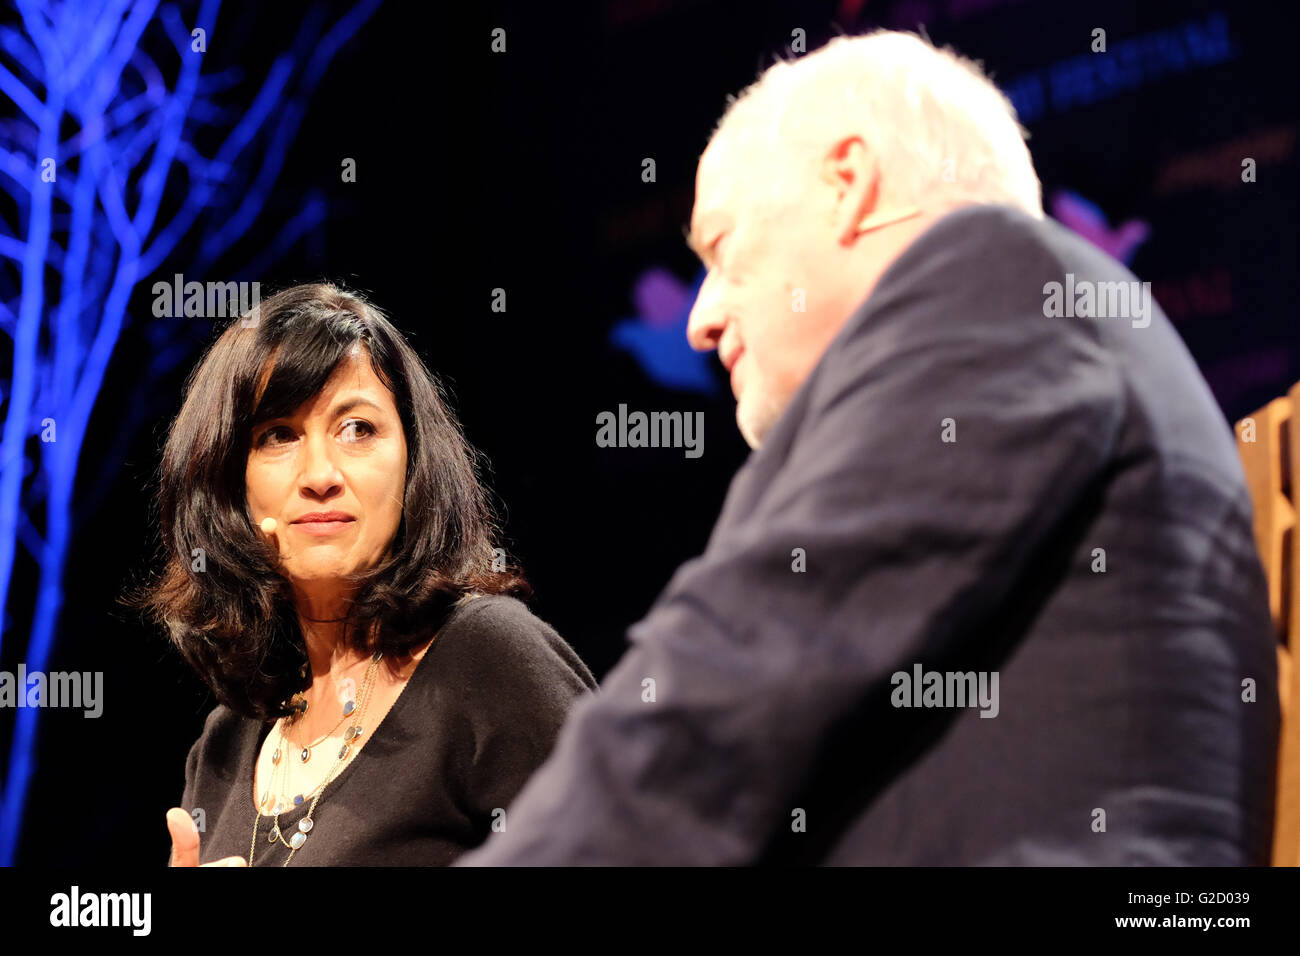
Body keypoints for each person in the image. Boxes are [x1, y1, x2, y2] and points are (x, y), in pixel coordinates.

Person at [455, 30, 1279, 865]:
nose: (700, 320)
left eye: (723, 250)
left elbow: (730, 673)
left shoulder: (992, 275)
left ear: (848, 184)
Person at [127, 283, 596, 866]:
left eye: (358, 429)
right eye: (278, 435)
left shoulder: (489, 659)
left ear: (413, 462)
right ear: (229, 487)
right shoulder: (224, 745)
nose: (320, 474)